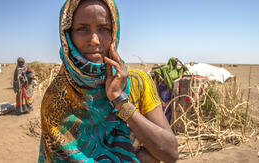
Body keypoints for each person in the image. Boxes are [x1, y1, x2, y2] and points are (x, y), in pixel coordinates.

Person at [39, 0, 178, 162]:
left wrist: (120, 100)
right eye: (82, 29)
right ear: (68, 35)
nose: (95, 40)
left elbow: (170, 153)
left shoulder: (137, 82)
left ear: (114, 32)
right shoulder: (55, 98)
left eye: (103, 29)